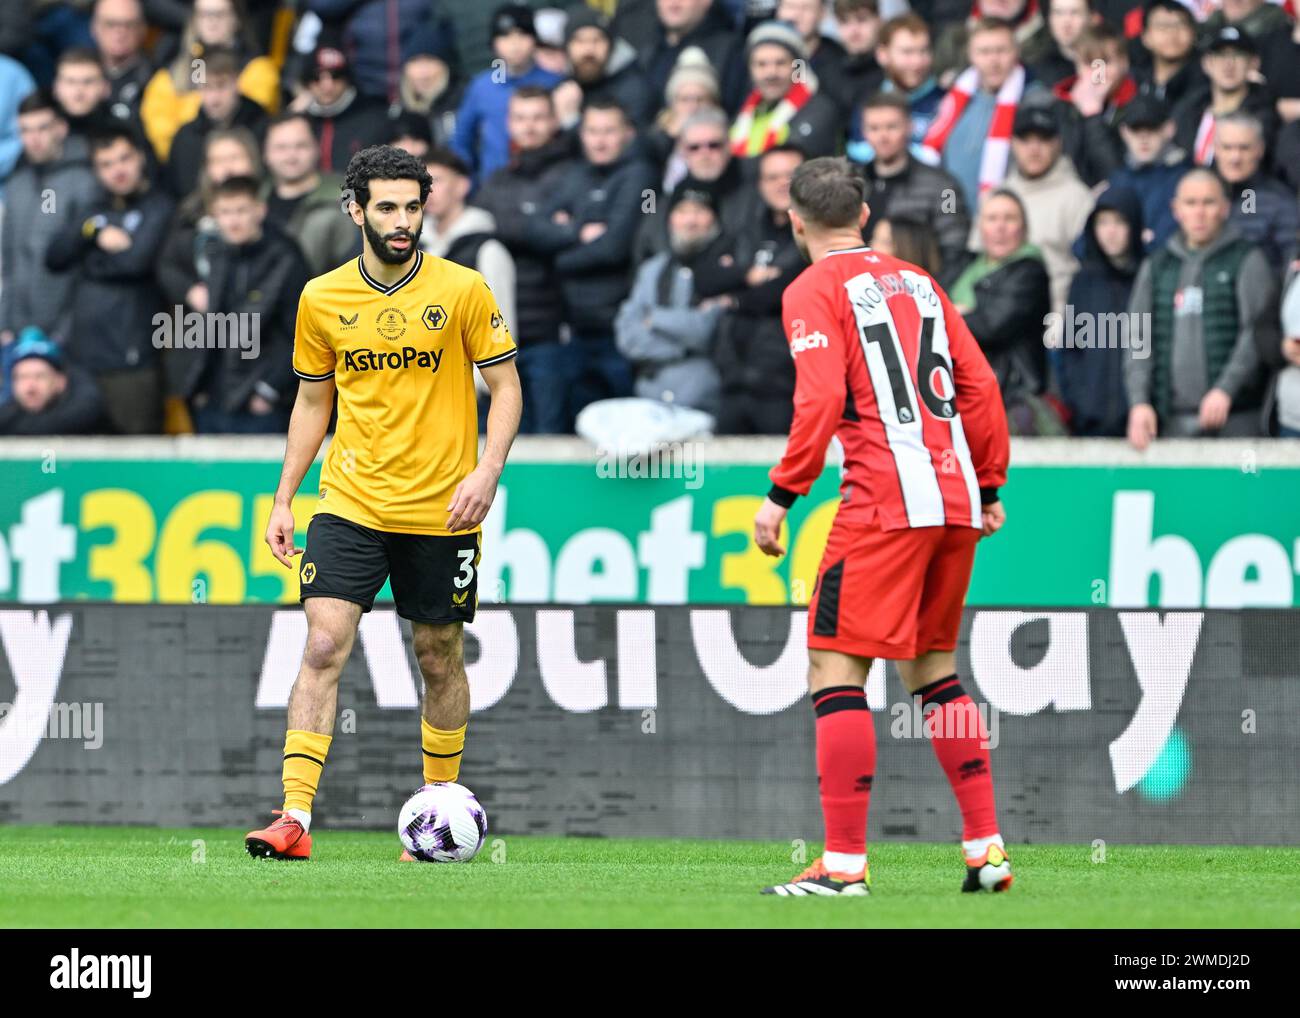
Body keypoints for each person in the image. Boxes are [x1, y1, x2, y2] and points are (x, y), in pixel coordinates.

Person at [246, 145, 522, 862]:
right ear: (355, 210)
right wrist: (284, 497)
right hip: (350, 501)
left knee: (438, 655)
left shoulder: (462, 289)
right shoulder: (322, 297)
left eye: (413, 207)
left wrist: (487, 472)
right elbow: (313, 402)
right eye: (388, 207)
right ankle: (294, 818)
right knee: (323, 643)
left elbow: (507, 387)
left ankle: (437, 808)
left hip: (442, 509)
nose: (403, 221)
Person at [752, 156, 1012, 897]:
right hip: (953, 500)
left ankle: (842, 867)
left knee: (833, 668)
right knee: (933, 671)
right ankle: (986, 849)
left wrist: (782, 495)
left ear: (794, 221)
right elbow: (981, 386)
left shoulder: (811, 289)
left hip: (883, 503)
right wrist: (988, 483)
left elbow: (820, 398)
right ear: (864, 216)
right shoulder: (920, 281)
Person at [525, 98, 656, 423]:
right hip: (573, 325)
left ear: (627, 134)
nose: (600, 140)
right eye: (593, 131)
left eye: (609, 131)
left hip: (620, 325)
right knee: (578, 424)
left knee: (624, 426)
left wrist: (558, 257)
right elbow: (535, 229)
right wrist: (578, 232)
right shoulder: (574, 174)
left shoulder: (641, 176)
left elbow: (614, 247)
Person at [1126, 168, 1274, 446]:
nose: (1199, 212)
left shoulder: (1247, 259)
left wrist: (1225, 389)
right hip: (1170, 418)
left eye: (1208, 202)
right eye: (1191, 203)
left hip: (1237, 416)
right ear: (1176, 209)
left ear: (1224, 208)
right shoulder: (1157, 265)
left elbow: (1255, 332)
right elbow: (1138, 337)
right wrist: (1139, 402)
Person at [44, 123, 174, 434]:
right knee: (82, 453)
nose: (118, 170)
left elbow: (135, 263)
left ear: (140, 157)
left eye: (124, 158)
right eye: (106, 164)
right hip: (82, 358)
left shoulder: (161, 205)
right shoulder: (93, 211)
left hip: (132, 358)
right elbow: (54, 257)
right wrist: (94, 232)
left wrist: (88, 258)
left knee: (137, 452)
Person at [474, 86, 577, 434]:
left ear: (554, 121)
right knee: (503, 436)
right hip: (500, 330)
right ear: (509, 123)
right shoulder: (497, 179)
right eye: (521, 118)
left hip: (552, 329)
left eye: (538, 117)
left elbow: (572, 236)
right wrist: (540, 226)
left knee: (550, 438)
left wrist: (510, 226)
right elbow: (479, 230)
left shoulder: (573, 175)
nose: (529, 126)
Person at [181, 175, 310, 433]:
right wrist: (200, 387)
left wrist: (269, 390)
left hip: (261, 406)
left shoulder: (286, 258)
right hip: (212, 401)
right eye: (225, 212)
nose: (233, 221)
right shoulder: (215, 254)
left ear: (259, 210)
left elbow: (303, 334)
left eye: (241, 211)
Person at [704, 143, 807, 435]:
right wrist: (749, 275)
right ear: (760, 184)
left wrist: (734, 297)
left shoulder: (818, 234)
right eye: (772, 177)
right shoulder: (744, 229)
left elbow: (783, 291)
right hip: (734, 377)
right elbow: (705, 276)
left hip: (787, 383)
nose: (781, 184)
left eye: (789, 176)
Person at [947, 188, 1058, 433]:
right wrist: (963, 314)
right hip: (961, 394)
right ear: (980, 226)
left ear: (1024, 227)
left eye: (1009, 218)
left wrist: (952, 315)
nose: (1000, 227)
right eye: (992, 218)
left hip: (1011, 397)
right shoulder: (965, 265)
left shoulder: (1030, 271)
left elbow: (992, 326)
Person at [614, 181, 730, 414]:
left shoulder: (727, 267)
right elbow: (627, 336)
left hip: (706, 397)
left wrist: (653, 318)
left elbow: (704, 332)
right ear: (669, 219)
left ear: (715, 219)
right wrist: (682, 347)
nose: (690, 221)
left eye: (700, 211)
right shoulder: (653, 269)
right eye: (682, 211)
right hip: (650, 393)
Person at [1, 91, 98, 345]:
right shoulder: (16, 184)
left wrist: (64, 333)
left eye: (42, 128)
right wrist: (5, 324)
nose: (33, 139)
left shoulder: (85, 181)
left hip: (68, 335)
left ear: (61, 128)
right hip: (17, 332)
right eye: (25, 130)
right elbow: (9, 261)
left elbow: (87, 266)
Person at [139, 0, 279, 162]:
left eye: (219, 14)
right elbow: (162, 132)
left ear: (237, 19)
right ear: (194, 20)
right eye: (205, 15)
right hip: (190, 157)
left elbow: (253, 117)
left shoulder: (256, 68)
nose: (212, 22)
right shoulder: (176, 73)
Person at [922, 17, 1034, 213]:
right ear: (971, 55)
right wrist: (946, 215)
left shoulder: (1033, 101)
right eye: (984, 52)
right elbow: (943, 166)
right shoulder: (954, 98)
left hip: (1003, 218)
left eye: (1001, 50)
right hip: (951, 214)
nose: (993, 60)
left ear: (1016, 52)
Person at [1058, 185, 1142, 436]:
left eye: (1119, 222)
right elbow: (1070, 348)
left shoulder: (1148, 275)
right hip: (1089, 421)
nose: (1110, 231)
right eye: (1103, 222)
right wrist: (1079, 401)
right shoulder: (1083, 281)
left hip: (1141, 421)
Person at [450, 4, 563, 186]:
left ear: (534, 39)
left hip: (547, 184)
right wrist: (470, 185)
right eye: (505, 35)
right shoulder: (482, 87)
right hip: (493, 188)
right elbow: (460, 141)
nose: (514, 44)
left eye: (522, 34)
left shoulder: (556, 83)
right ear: (493, 43)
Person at [857, 91, 970, 272]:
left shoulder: (944, 188)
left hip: (916, 284)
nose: (883, 136)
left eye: (891, 127)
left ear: (910, 127)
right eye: (874, 128)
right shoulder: (853, 182)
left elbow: (954, 247)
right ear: (864, 132)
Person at [1001, 103, 1093, 318]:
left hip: (1057, 315)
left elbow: (1089, 271)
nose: (1034, 149)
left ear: (1058, 143)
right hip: (998, 314)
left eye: (1043, 139)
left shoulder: (1077, 197)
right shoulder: (998, 195)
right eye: (1026, 140)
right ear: (1013, 144)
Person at [262, 111, 360, 276]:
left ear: (316, 148)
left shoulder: (344, 196)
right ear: (265, 153)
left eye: (301, 146)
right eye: (281, 148)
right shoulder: (253, 199)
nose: (291, 156)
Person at [729, 20, 843, 159]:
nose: (771, 73)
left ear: (798, 67)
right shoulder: (745, 113)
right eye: (761, 64)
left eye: (780, 63)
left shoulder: (819, 110)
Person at [166, 45, 267, 197]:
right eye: (206, 87)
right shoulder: (185, 138)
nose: (214, 98)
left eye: (221, 86)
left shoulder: (264, 129)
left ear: (237, 82)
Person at [1213, 112, 1297, 270]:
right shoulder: (1199, 192)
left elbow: (1292, 263)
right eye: (1227, 147)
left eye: (1244, 148)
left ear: (1260, 149)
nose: (1235, 158)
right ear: (1215, 149)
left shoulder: (1279, 201)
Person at [1106, 94, 1187, 252]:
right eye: (1136, 129)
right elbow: (1085, 245)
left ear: (1169, 129)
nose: (1143, 137)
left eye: (1152, 128)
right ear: (1124, 132)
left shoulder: (1187, 179)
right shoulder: (1117, 179)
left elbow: (1167, 241)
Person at [294, 45, 388, 176]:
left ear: (347, 79)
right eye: (317, 77)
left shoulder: (376, 120)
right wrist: (292, 116)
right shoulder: (296, 121)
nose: (327, 85)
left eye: (335, 75)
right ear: (307, 83)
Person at [0, 328, 108, 436]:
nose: (30, 386)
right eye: (23, 377)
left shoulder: (84, 412)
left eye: (39, 376)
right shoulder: (7, 413)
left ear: (61, 382)